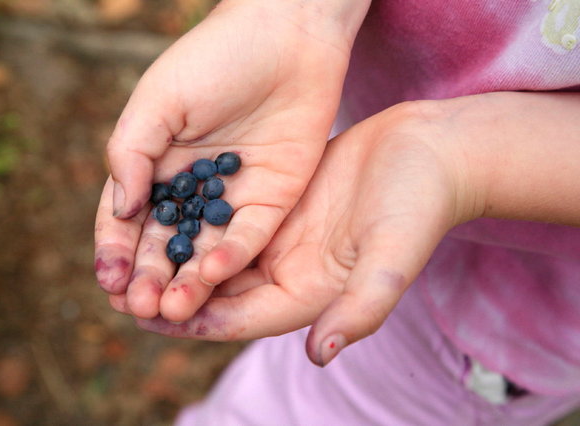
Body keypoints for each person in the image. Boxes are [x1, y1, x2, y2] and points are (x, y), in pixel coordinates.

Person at [94, 0, 580, 424]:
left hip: (503, 318)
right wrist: (295, 12)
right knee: (284, 294)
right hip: (332, 156)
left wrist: (462, 162)